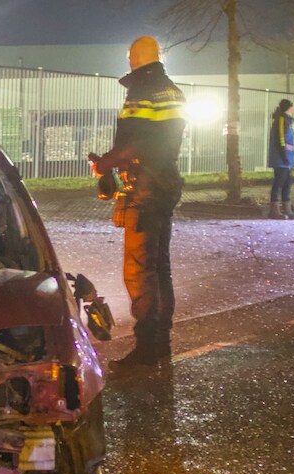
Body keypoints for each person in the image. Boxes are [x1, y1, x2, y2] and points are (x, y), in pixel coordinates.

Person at [88, 36, 185, 367]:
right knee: (160, 267)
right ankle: (161, 341)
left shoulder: (142, 90)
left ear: (136, 58)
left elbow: (139, 142)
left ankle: (147, 347)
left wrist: (105, 163)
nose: (128, 61)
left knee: (140, 270)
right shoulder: (172, 89)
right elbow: (159, 142)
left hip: (144, 187)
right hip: (166, 182)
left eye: (130, 56)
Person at [267, 99, 294, 219]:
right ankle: (274, 210)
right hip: (281, 159)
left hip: (286, 160)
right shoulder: (281, 120)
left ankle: (287, 209)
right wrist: (284, 157)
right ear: (288, 108)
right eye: (292, 107)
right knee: (279, 183)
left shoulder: (286, 121)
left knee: (287, 184)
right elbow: (281, 139)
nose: (293, 110)